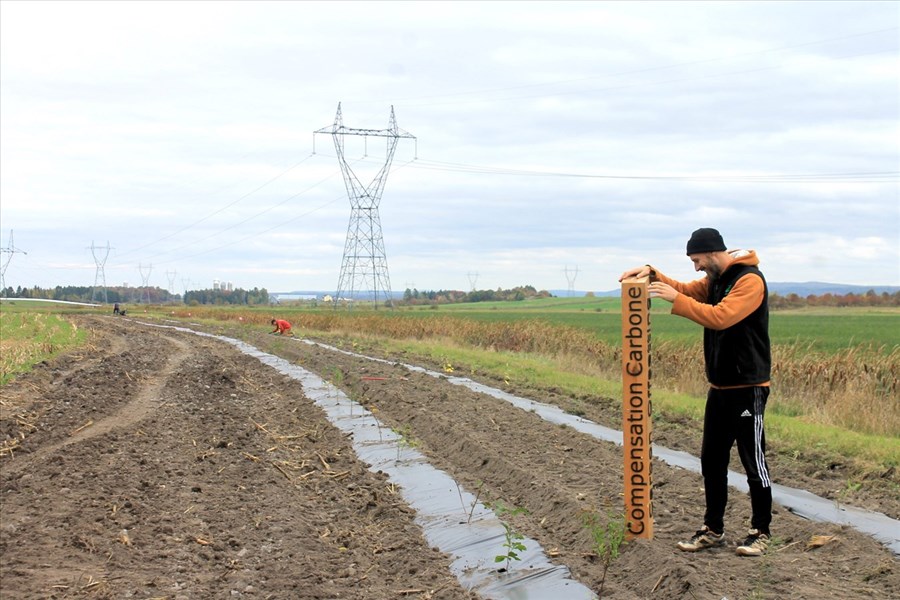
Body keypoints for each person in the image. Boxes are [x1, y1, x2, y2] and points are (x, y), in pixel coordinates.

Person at [619, 227, 773, 557]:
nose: (696, 268)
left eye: (697, 260)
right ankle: (713, 529)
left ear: (714, 252)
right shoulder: (715, 279)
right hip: (719, 388)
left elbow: (721, 317)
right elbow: (686, 289)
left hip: (749, 388)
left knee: (753, 462)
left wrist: (678, 300)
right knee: (711, 461)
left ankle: (761, 531)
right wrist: (652, 273)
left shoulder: (749, 281)